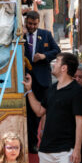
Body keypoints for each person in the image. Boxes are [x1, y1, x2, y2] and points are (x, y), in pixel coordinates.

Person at [23, 11, 60, 153]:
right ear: (26, 22)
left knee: (43, 112)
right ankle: (31, 143)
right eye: (29, 24)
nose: (32, 26)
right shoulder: (22, 34)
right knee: (30, 114)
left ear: (38, 23)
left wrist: (44, 56)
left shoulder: (45, 34)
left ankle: (44, 141)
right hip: (26, 78)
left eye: (34, 24)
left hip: (43, 80)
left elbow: (57, 50)